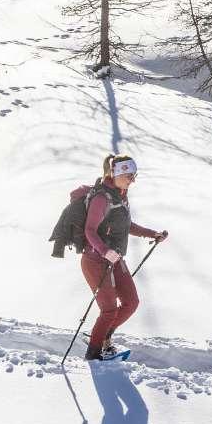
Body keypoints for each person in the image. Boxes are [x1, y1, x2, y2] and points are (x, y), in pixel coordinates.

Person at [80, 154, 168, 361]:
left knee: (131, 303)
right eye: (129, 175)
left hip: (115, 259)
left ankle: (102, 336)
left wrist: (152, 234)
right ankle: (94, 353)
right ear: (116, 173)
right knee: (109, 310)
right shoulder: (101, 199)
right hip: (95, 261)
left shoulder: (120, 196)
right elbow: (89, 230)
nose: (133, 180)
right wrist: (104, 251)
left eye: (134, 176)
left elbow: (127, 226)